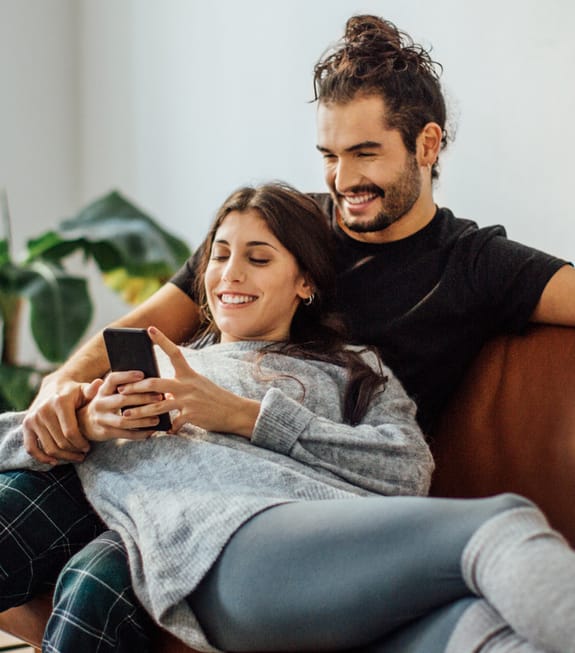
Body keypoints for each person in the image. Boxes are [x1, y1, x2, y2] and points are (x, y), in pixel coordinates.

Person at [1, 182, 575, 653]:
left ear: (305, 283)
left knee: (484, 623)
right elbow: (16, 436)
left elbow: (407, 470)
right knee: (48, 534)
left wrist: (247, 416)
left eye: (258, 258)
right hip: (164, 530)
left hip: (279, 534)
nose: (231, 274)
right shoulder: (158, 364)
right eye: (220, 256)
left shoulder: (349, 370)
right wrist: (78, 417)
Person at [20, 14, 575, 466]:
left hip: (302, 490)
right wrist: (60, 384)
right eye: (330, 157)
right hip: (172, 464)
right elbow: (146, 323)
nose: (342, 180)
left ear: (426, 146)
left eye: (365, 153)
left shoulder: (474, 263)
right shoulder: (282, 224)